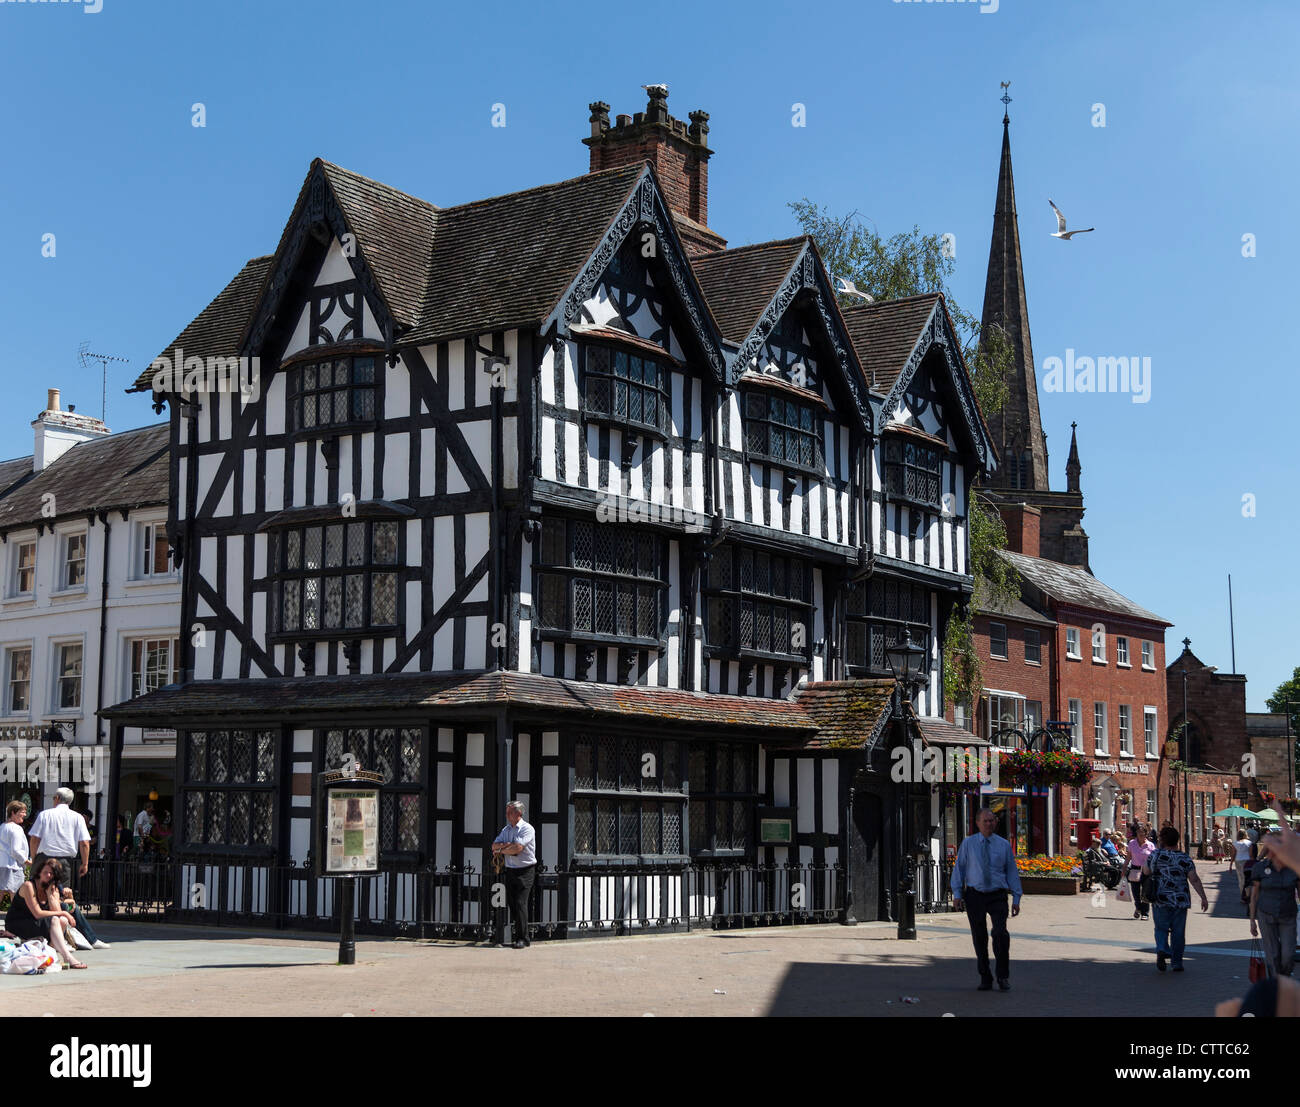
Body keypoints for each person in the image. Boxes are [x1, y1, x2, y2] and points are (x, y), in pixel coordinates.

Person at [950, 807, 1023, 991]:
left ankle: (1003, 976)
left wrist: (1016, 897)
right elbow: (959, 869)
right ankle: (985, 977)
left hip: (997, 894)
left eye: (992, 821)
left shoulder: (1003, 845)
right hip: (975, 894)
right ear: (977, 823)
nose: (989, 824)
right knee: (979, 937)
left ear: (996, 822)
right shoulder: (968, 844)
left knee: (1000, 934)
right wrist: (957, 894)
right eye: (985, 821)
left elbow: (1012, 872)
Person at [1142, 825, 1208, 972]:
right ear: (1177, 840)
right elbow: (1194, 879)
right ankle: (1177, 963)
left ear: (1162, 840)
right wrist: (1203, 897)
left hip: (1160, 898)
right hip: (1180, 899)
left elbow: (1146, 871)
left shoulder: (1155, 855)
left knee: (1161, 928)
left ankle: (1162, 948)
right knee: (1178, 932)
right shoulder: (1184, 857)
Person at [3, 856, 87, 969]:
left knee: (62, 920)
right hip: (19, 923)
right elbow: (37, 913)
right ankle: (67, 957)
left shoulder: (52, 888)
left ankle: (50, 952)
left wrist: (50, 896)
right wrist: (65, 913)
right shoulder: (29, 886)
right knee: (59, 918)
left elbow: (56, 913)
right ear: (39, 872)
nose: (47, 876)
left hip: (36, 923)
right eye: (45, 872)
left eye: (51, 874)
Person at [1249, 830, 1298, 978]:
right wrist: (1252, 921)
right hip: (1266, 914)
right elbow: (1254, 895)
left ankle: (1284, 977)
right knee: (1273, 954)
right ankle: (1277, 986)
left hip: (1288, 915)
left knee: (1288, 954)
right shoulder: (1260, 868)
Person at [491, 800, 537, 949]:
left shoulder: (527, 829)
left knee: (520, 903)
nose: (506, 815)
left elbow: (517, 848)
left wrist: (501, 849)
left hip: (526, 870)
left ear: (519, 813)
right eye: (507, 812)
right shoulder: (506, 830)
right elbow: (493, 845)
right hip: (511, 870)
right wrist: (505, 848)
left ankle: (522, 938)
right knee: (512, 904)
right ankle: (521, 937)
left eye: (509, 812)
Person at [27, 787, 90, 893]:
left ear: (57, 798)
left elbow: (34, 839)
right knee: (62, 894)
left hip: (43, 859)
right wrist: (85, 864)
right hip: (64, 862)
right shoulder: (78, 817)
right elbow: (84, 843)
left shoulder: (45, 815)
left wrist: (34, 858)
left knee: (36, 892)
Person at [1127, 823, 1155, 921]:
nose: (1140, 835)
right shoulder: (1132, 843)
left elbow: (1153, 859)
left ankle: (1145, 913)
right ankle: (1138, 907)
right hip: (1135, 869)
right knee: (1135, 892)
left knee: (1146, 892)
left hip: (1147, 870)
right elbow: (1128, 857)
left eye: (1142, 833)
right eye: (1139, 832)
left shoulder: (1150, 845)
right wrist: (1123, 869)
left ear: (1146, 834)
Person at [0, 800, 29, 896]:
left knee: (1, 892)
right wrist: (27, 861)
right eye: (22, 812)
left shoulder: (2, 827)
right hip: (13, 866)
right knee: (16, 896)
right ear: (13, 812)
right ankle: (16, 912)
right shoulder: (16, 829)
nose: (25, 814)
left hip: (2, 864)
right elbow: (15, 850)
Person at [1234, 830, 1253, 896]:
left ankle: (1242, 894)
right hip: (1247, 860)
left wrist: (1230, 865)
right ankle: (1247, 894)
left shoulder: (1235, 843)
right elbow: (1251, 855)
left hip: (1238, 860)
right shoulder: (1249, 843)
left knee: (1240, 878)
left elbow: (1233, 854)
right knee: (1246, 878)